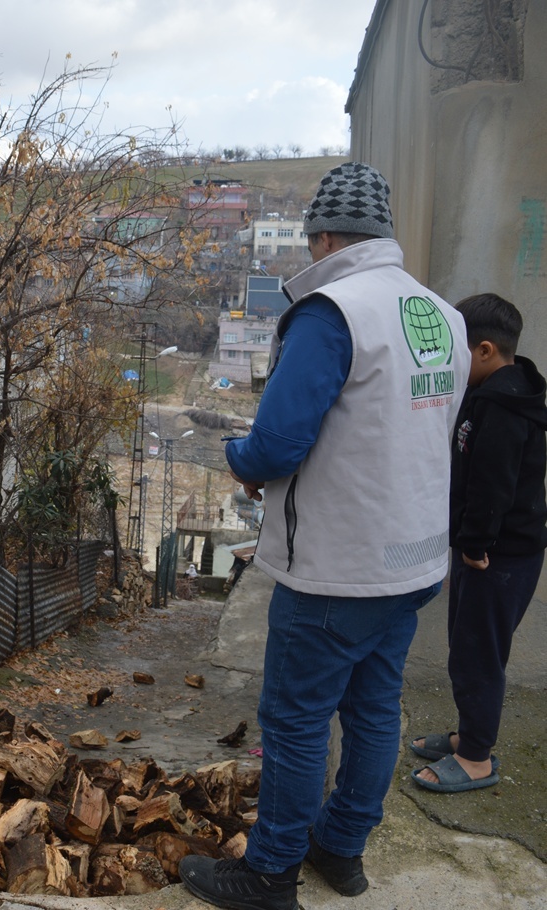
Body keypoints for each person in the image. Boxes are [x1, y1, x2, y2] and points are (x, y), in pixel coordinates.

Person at [179, 163, 469, 910]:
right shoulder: (440, 315)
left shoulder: (331, 312)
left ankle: (270, 872)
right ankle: (341, 850)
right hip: (412, 560)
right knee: (374, 710)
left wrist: (238, 459)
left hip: (339, 565)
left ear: (326, 235)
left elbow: (276, 445)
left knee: (297, 720)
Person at [411, 293, 547, 792]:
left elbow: (493, 485)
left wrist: (473, 544)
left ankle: (475, 758)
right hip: (490, 549)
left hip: (497, 554)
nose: (451, 363)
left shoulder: (504, 406)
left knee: (478, 655)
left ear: (486, 350)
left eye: (458, 352)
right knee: (466, 649)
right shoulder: (493, 391)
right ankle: (468, 735)